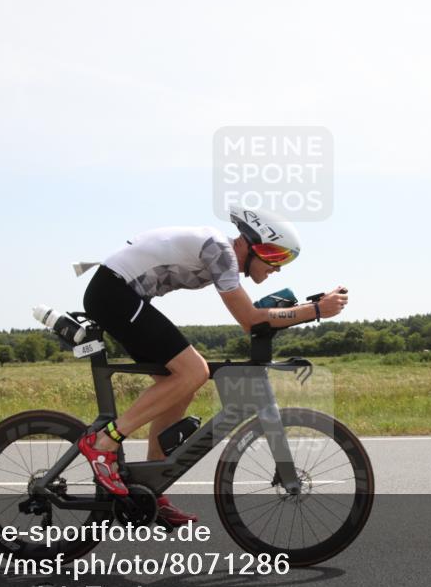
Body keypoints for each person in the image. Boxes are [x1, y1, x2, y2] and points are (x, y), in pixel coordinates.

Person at [78, 205, 348, 526]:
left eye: (284, 260)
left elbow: (253, 314)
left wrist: (306, 308)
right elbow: (249, 320)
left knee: (180, 386)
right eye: (274, 256)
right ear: (250, 244)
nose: (278, 267)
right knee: (196, 372)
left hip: (121, 295)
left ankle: (151, 486)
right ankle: (104, 442)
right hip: (114, 294)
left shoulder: (222, 254)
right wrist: (315, 310)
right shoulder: (220, 251)